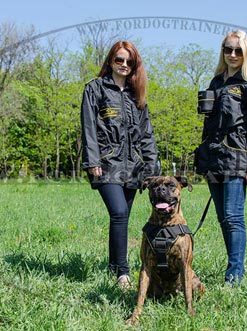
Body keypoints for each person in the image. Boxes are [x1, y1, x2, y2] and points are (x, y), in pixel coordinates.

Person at [80, 41, 159, 289]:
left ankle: (114, 266)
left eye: (129, 61)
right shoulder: (95, 89)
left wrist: (152, 165)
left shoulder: (138, 95)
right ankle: (123, 273)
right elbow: (88, 128)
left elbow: (147, 134)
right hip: (106, 163)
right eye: (119, 60)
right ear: (110, 61)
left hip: (133, 166)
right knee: (119, 213)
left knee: (121, 218)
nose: (124, 65)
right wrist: (93, 161)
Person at [195, 30, 247, 286]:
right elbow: (208, 125)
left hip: (238, 156)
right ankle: (233, 268)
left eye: (238, 50)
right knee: (222, 218)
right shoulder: (216, 81)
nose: (232, 55)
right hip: (214, 157)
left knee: (233, 216)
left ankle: (235, 275)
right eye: (228, 49)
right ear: (222, 50)